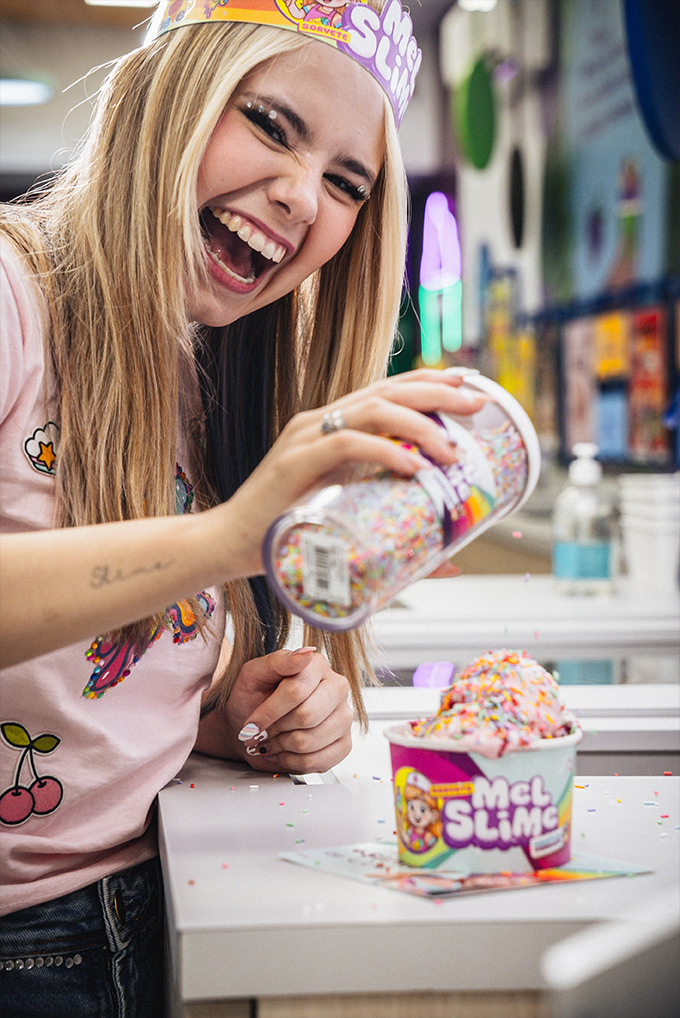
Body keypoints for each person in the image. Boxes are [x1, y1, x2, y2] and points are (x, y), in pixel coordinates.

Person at [0, 3, 480, 1014]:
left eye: (346, 183)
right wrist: (226, 536)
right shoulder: (12, 295)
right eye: (269, 123)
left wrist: (231, 723)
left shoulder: (206, 371)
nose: (302, 194)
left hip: (147, 908)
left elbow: (89, 681)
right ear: (161, 97)